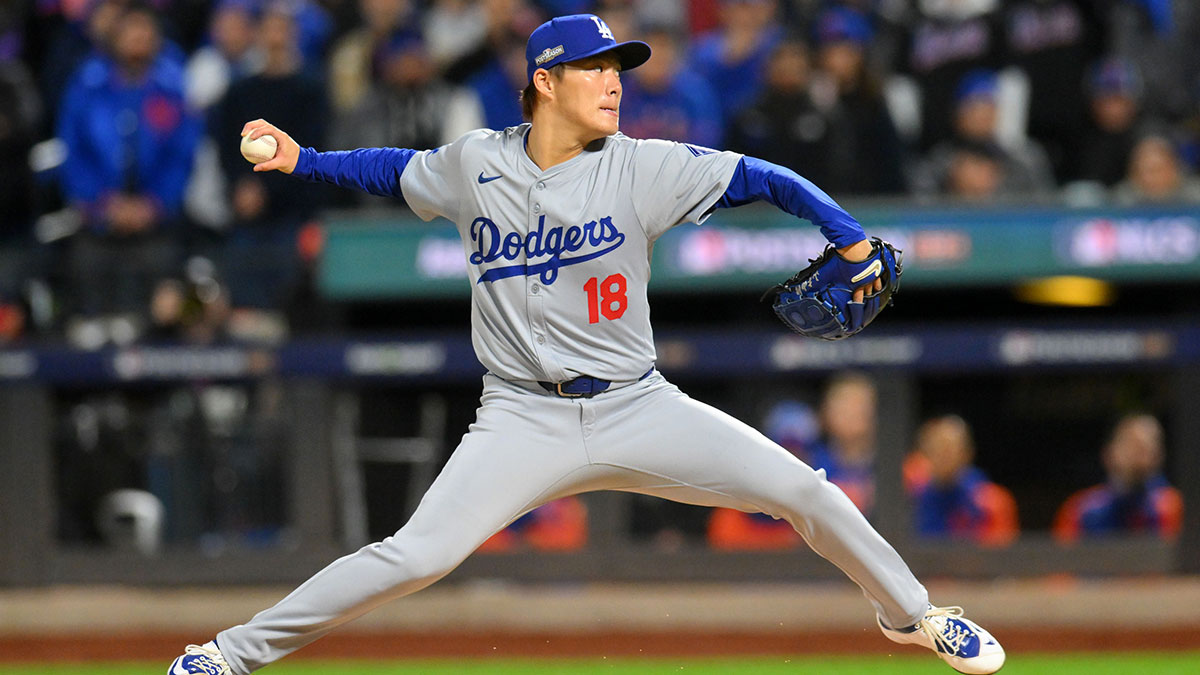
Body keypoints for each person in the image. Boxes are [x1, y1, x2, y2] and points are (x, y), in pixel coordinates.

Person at [169, 14, 1004, 675]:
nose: (615, 83)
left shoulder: (642, 164)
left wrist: (849, 234)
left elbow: (764, 177)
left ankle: (917, 615)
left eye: (619, 68)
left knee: (807, 492)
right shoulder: (474, 164)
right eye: (597, 69)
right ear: (544, 81)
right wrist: (303, 158)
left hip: (639, 405)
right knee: (411, 556)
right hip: (519, 419)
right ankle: (227, 654)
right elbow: (392, 169)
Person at [1053, 413, 1183, 542]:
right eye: (1132, 446)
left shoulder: (1176, 510)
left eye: (1148, 448)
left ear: (1160, 456)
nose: (1140, 455)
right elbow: (1061, 560)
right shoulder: (1080, 511)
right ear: (1109, 454)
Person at [906, 415, 1018, 548]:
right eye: (937, 449)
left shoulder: (993, 503)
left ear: (968, 453)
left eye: (950, 450)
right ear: (923, 454)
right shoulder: (910, 496)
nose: (944, 457)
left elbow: (1001, 559)